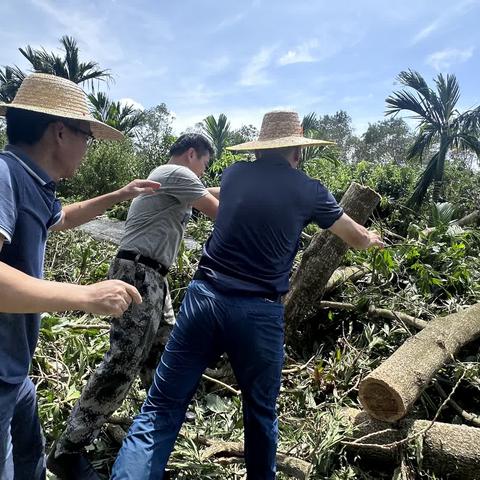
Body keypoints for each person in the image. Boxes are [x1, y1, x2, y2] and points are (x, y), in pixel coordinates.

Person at [110, 110, 384, 479]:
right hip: (259, 313)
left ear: (259, 148)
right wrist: (371, 240)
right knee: (260, 414)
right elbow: (352, 235)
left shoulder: (235, 174)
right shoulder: (310, 190)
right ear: (297, 152)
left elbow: (222, 195)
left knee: (161, 407)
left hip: (204, 299)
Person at [0, 73, 161, 480]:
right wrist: (84, 295)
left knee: (29, 462)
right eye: (86, 136)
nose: (88, 148)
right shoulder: (4, 175)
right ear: (59, 132)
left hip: (13, 371)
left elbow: (63, 217)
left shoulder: (33, 182)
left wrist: (121, 194)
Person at [48, 133, 219, 480]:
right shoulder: (177, 174)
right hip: (138, 275)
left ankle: (154, 420)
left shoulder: (172, 179)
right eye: (204, 165)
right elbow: (220, 209)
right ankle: (68, 449)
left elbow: (213, 194)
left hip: (154, 276)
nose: (203, 174)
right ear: (191, 154)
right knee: (123, 362)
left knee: (163, 348)